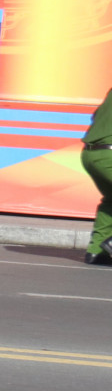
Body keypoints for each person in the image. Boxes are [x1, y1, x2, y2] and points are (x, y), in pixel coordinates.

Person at [82, 87, 112, 266]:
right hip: (109, 154)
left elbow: (95, 116)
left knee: (111, 201)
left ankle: (97, 252)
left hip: (89, 154)